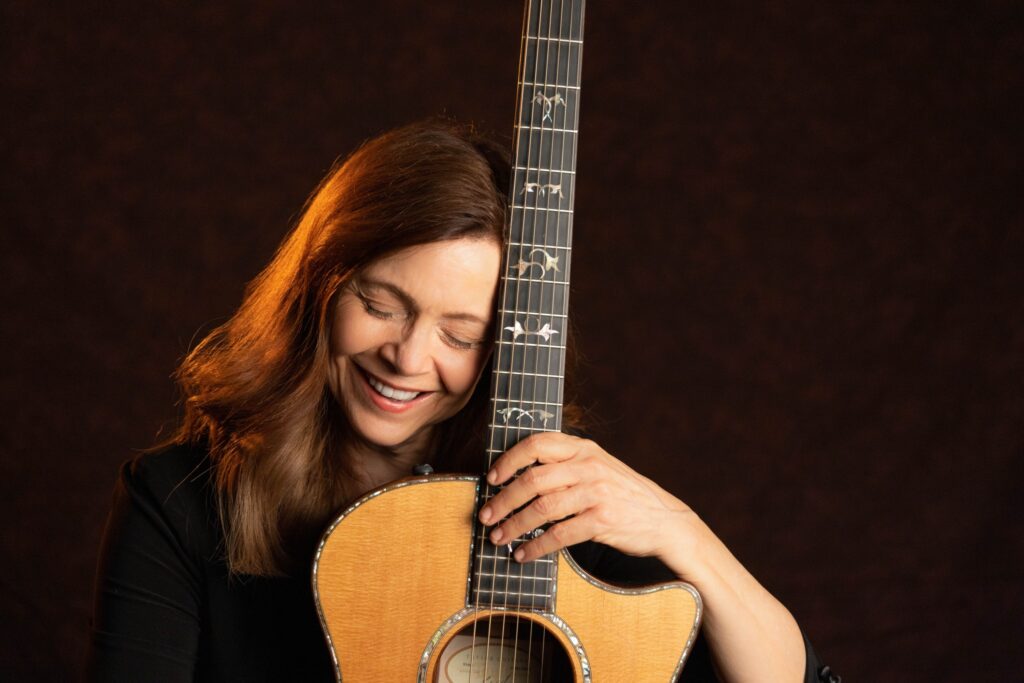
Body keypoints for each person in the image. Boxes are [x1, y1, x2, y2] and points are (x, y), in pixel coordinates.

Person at [86, 120, 836, 682]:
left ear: (507, 349)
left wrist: (684, 533)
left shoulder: (546, 510)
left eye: (461, 333)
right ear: (319, 286)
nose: (409, 358)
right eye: (380, 304)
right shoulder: (179, 503)